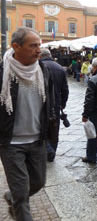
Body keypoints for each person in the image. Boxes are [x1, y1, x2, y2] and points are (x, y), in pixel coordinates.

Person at [0, 27, 56, 220]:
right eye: (33, 46)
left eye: (39, 45)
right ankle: (18, 200)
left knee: (39, 182)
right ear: (16, 47)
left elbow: (49, 101)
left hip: (37, 139)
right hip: (10, 142)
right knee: (22, 191)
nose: (38, 50)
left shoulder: (43, 70)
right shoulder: (3, 72)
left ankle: (12, 197)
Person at [39, 48, 69, 162]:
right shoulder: (59, 68)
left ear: (40, 56)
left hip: (41, 103)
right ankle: (52, 151)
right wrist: (63, 103)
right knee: (54, 129)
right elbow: (65, 89)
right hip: (55, 104)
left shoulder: (38, 67)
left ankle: (45, 150)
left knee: (41, 127)